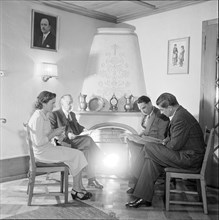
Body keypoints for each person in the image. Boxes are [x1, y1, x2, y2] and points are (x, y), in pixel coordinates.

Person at [126, 92, 205, 208]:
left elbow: (174, 146)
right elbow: (175, 138)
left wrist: (162, 144)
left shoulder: (180, 118)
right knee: (152, 160)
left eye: (162, 110)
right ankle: (143, 197)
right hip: (185, 155)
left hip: (189, 159)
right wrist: (164, 142)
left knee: (149, 147)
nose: (161, 113)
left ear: (170, 107)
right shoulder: (180, 114)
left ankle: (136, 176)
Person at [28, 91, 92, 200]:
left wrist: (57, 134)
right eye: (52, 103)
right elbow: (38, 142)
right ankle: (76, 189)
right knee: (78, 155)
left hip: (47, 149)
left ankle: (79, 188)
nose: (54, 106)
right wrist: (54, 133)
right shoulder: (38, 118)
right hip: (43, 153)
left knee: (78, 154)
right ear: (44, 103)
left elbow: (46, 134)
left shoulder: (43, 115)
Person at [48, 94, 103, 189]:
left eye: (71, 102)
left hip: (75, 141)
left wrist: (85, 129)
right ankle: (101, 156)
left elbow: (77, 126)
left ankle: (91, 180)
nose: (70, 105)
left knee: (87, 151)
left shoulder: (72, 114)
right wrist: (66, 135)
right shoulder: (55, 114)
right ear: (62, 103)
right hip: (64, 143)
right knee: (88, 140)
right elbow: (52, 131)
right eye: (68, 103)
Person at [126, 95, 169, 194]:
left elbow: (160, 138)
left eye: (144, 107)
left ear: (150, 103)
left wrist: (142, 138)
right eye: (140, 109)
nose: (143, 111)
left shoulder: (161, 116)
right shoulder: (147, 114)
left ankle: (136, 184)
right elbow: (147, 129)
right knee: (131, 144)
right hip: (145, 142)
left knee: (136, 155)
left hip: (154, 146)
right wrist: (139, 135)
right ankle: (135, 183)